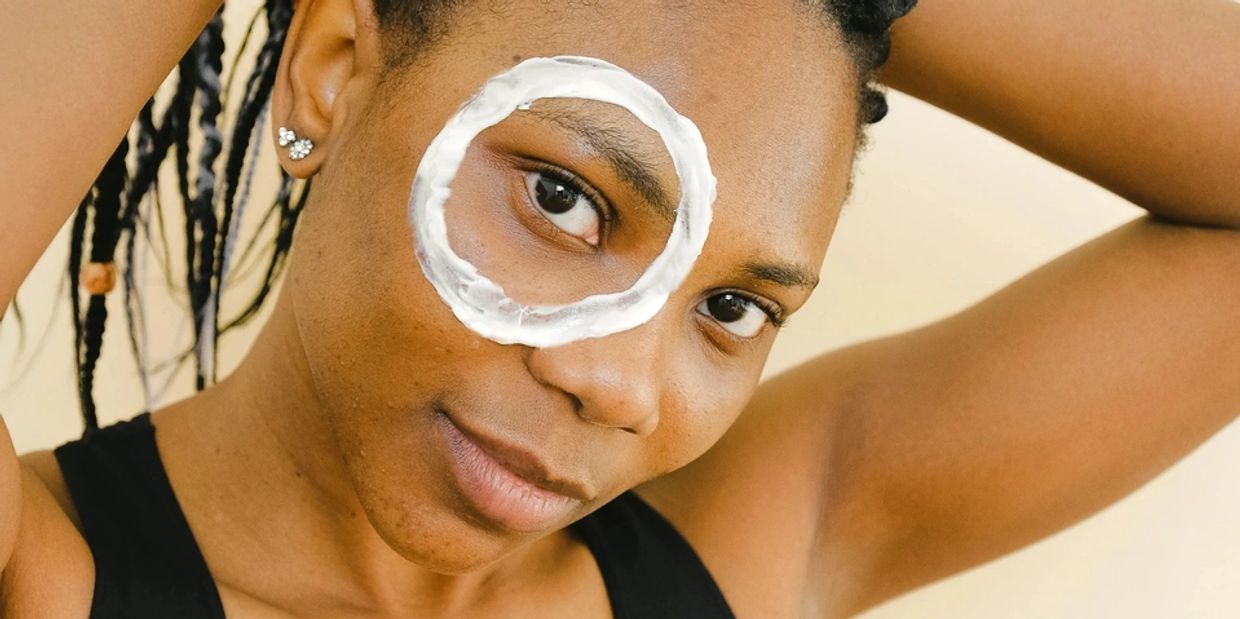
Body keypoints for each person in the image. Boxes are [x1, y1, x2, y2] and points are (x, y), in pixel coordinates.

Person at [2, 0, 1238, 617]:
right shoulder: (38, 577)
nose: (625, 384)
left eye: (737, 308)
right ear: (332, 69)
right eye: (565, 199)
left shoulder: (741, 555)